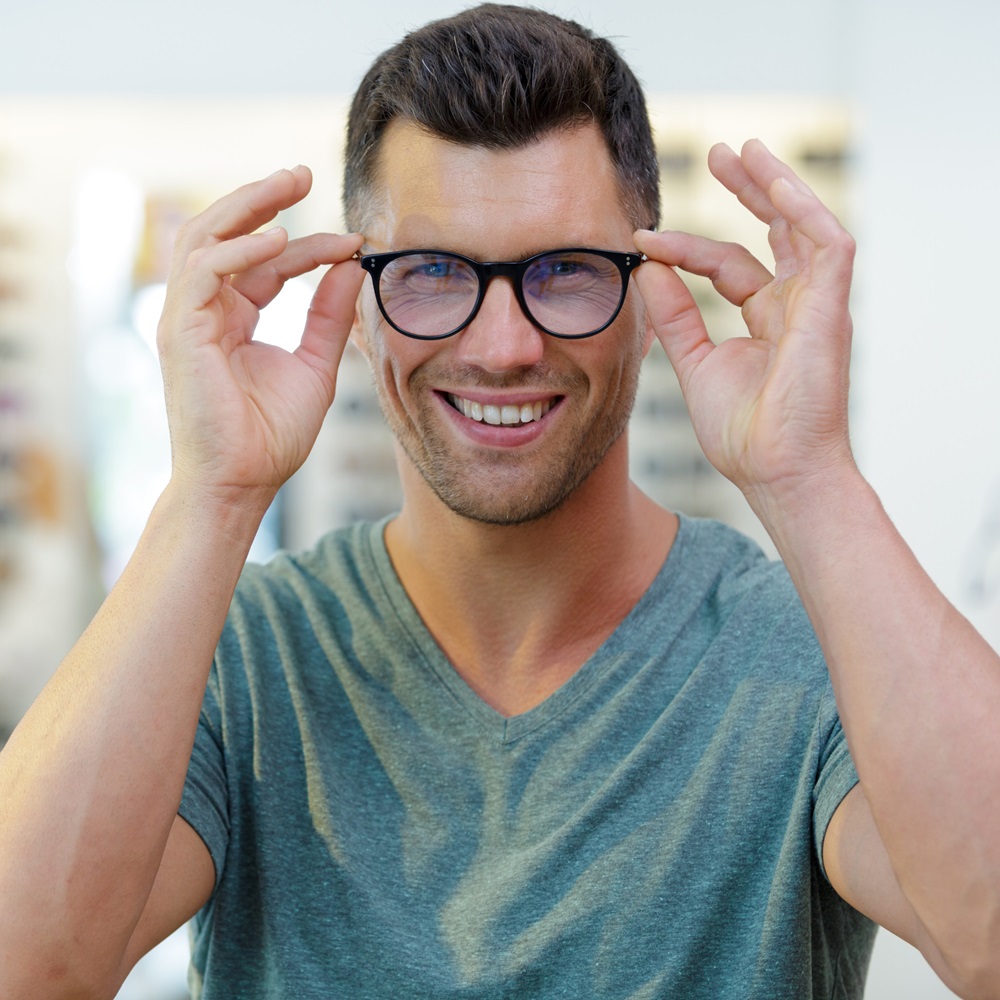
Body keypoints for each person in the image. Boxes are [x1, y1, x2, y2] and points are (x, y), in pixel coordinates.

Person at [2, 4, 999, 998]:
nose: (503, 345)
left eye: (563, 272)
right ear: (356, 307)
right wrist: (210, 495)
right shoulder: (239, 654)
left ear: (650, 296)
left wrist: (811, 480)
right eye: (433, 273)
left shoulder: (804, 651)